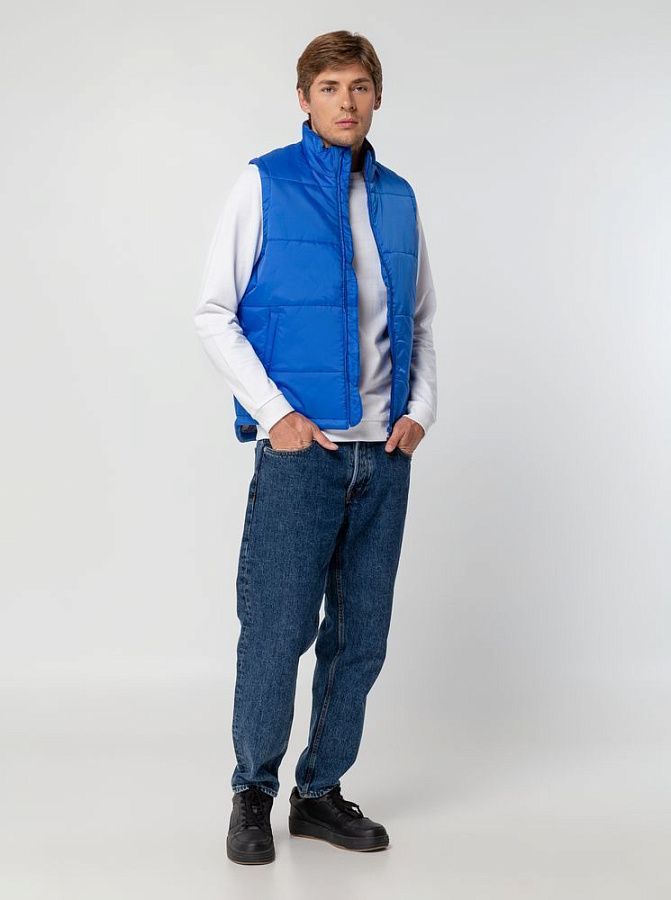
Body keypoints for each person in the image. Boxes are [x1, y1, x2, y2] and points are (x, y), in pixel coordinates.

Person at [193, 30, 438, 865]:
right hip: (304, 455)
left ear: (377, 97)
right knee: (276, 633)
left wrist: (419, 410)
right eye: (329, 87)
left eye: (358, 86)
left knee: (359, 640)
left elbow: (419, 321)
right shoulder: (264, 182)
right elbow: (213, 312)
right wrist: (275, 415)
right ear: (303, 99)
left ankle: (320, 793)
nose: (345, 101)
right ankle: (251, 795)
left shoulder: (398, 198)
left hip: (384, 456)